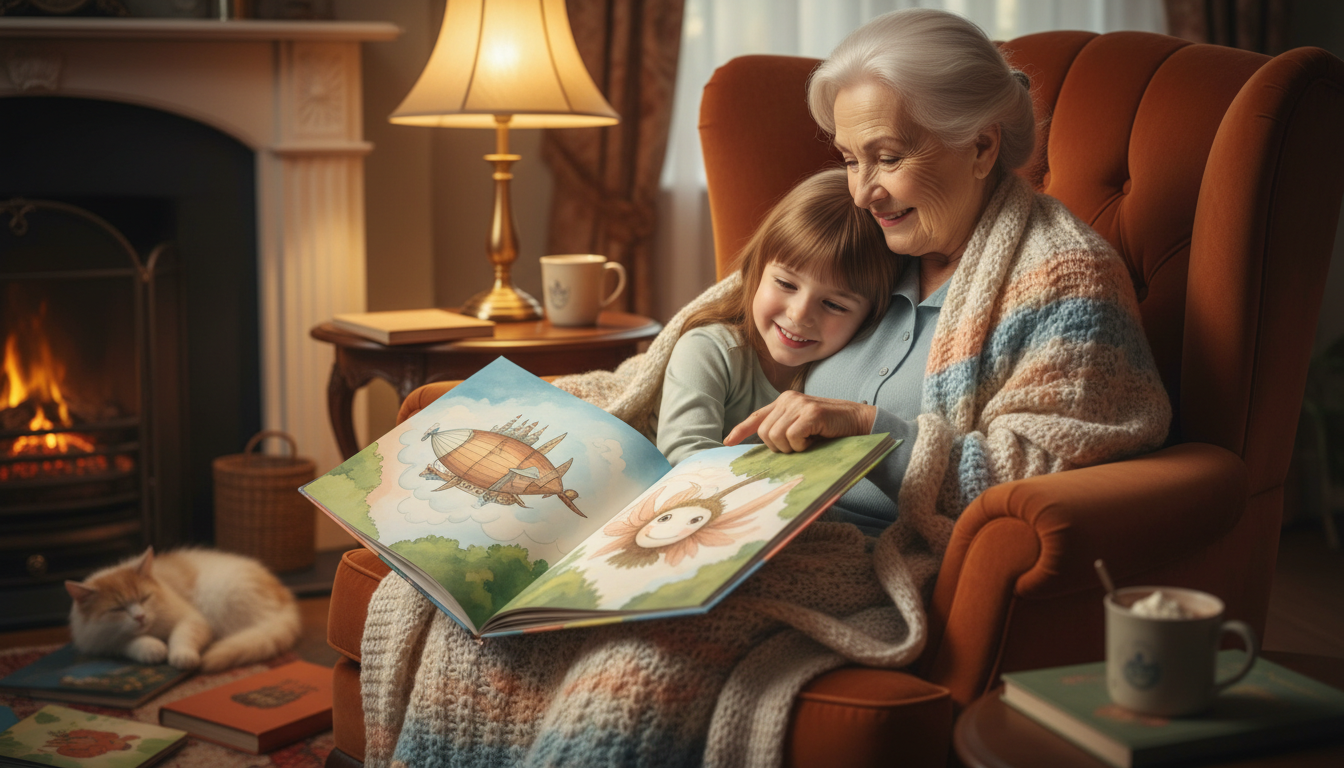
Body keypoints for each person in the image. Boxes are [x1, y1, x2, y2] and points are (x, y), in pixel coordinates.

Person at [360, 9, 1172, 767]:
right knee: (480, 608)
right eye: (850, 160)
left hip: (855, 558)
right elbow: (747, 334)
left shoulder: (1061, 279)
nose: (863, 191)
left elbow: (1047, 470)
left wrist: (868, 427)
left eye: (887, 158)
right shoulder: (881, 246)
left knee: (635, 664)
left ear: (983, 146)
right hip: (727, 525)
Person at [657, 168, 900, 466]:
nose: (799, 314)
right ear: (757, 271)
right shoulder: (709, 350)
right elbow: (683, 456)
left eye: (834, 305)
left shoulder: (848, 373)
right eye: (786, 284)